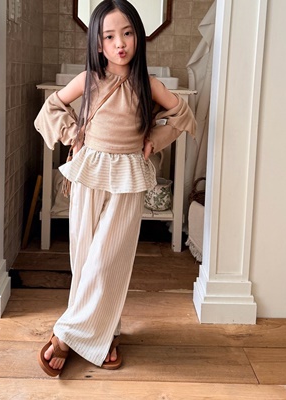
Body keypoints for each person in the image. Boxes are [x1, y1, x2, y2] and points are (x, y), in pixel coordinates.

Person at [34, 0, 196, 377]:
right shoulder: (88, 79)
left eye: (127, 33)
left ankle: (66, 335)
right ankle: (105, 333)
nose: (119, 43)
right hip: (90, 171)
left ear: (138, 36)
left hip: (127, 176)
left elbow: (182, 114)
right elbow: (51, 107)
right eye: (109, 36)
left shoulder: (148, 84)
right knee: (85, 257)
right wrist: (73, 135)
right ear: (98, 43)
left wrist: (154, 139)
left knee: (109, 259)